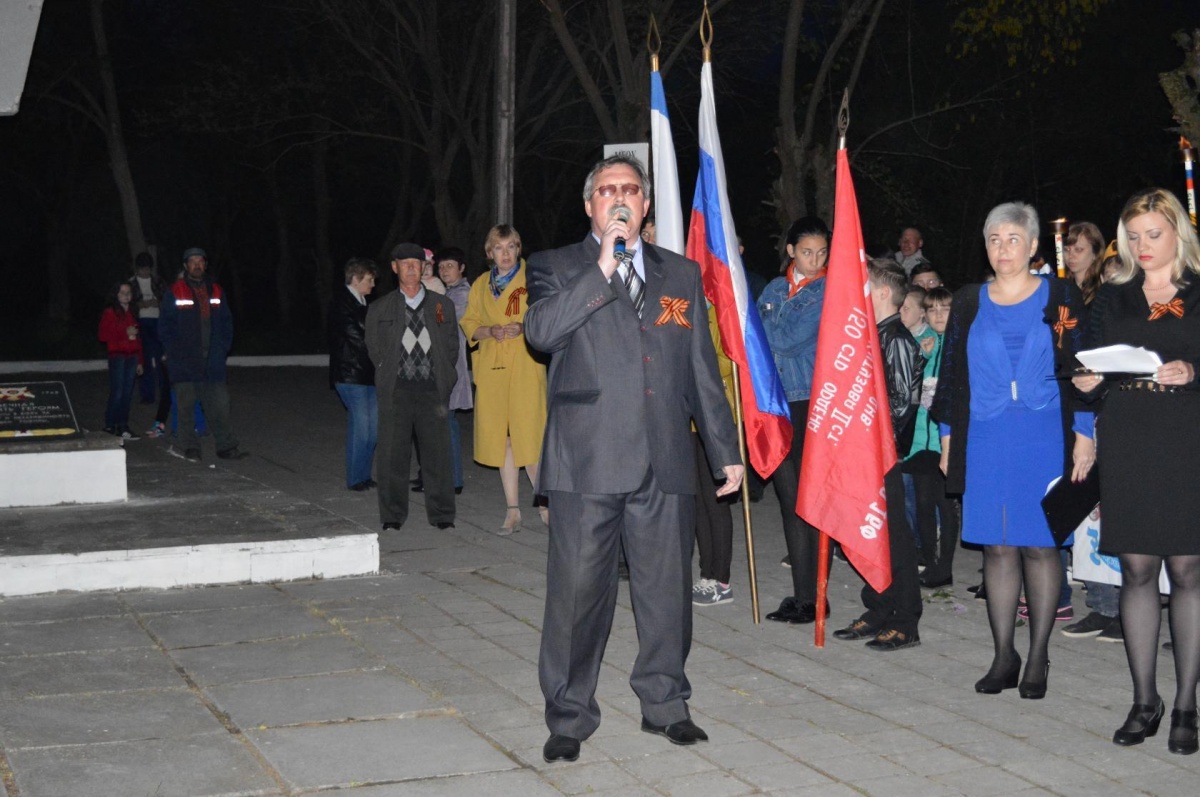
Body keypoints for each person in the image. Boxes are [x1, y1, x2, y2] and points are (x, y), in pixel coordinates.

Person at [524, 154, 743, 763]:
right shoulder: (554, 267)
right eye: (606, 190)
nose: (619, 198)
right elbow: (541, 333)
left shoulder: (681, 273)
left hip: (665, 458)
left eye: (629, 190)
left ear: (645, 205)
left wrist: (724, 449)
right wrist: (602, 267)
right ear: (590, 205)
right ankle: (569, 716)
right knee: (576, 597)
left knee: (666, 592)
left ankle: (666, 703)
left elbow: (701, 368)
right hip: (587, 460)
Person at [933, 202, 1094, 700]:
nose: (1003, 249)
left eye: (1012, 239)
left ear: (1031, 247)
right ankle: (1005, 654)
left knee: (1041, 546)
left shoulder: (1061, 296)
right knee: (998, 547)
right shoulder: (967, 301)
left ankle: (1039, 654)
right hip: (984, 434)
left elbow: (1085, 370)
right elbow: (952, 375)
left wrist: (1085, 435)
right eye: (994, 240)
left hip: (1044, 435)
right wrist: (946, 438)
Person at [1073, 188, 1200, 755]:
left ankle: (1186, 705)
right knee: (1138, 570)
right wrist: (1087, 381)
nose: (1144, 246)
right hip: (1128, 434)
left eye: (1154, 234)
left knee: (1190, 571)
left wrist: (1192, 369)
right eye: (1135, 237)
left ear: (1178, 232)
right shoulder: (1114, 295)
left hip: (1187, 434)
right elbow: (1091, 359)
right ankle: (1144, 700)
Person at [831, 260, 925, 651]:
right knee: (871, 534)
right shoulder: (870, 336)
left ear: (883, 293)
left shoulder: (897, 340)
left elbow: (902, 404)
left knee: (895, 539)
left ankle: (905, 618)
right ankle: (879, 606)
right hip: (865, 453)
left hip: (884, 457)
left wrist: (875, 443)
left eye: (865, 286)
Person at [757, 217, 831, 625]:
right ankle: (803, 595)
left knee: (810, 501)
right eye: (807, 252)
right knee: (788, 499)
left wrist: (763, 328)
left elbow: (784, 340)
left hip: (807, 401)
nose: (815, 260)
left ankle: (816, 594)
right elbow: (756, 334)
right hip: (774, 401)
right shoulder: (772, 287)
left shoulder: (825, 291)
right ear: (790, 250)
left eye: (821, 253)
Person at [459, 224, 547, 534]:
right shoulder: (481, 284)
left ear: (519, 249)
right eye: (499, 248)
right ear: (489, 253)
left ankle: (545, 504)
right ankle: (513, 510)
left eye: (511, 247)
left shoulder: (533, 278)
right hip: (493, 369)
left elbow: (547, 313)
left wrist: (524, 327)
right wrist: (489, 331)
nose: (505, 253)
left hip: (525, 365)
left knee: (532, 434)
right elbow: (470, 321)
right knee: (503, 439)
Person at [1059, 221, 1123, 642]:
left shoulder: (1103, 297)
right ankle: (1101, 603)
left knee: (1103, 504)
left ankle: (1117, 605)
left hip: (1099, 408)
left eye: (1080, 248)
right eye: (1067, 247)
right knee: (1083, 507)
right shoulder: (1064, 295)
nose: (1071, 255)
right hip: (1067, 406)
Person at [365, 243, 458, 532]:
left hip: (432, 391)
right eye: (404, 263)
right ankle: (392, 515)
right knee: (392, 455)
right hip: (397, 391)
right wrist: (388, 371)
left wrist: (444, 377)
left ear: (423, 268)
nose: (410, 269)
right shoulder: (381, 308)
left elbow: (452, 347)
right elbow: (373, 348)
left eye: (416, 264)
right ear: (394, 268)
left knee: (438, 455)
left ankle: (442, 514)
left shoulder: (442, 305)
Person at [159, 248, 247, 462]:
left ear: (205, 265)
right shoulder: (176, 291)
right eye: (192, 261)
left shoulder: (215, 290)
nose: (197, 265)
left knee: (219, 405)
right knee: (186, 407)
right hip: (185, 361)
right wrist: (175, 352)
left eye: (200, 261)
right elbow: (165, 326)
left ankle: (226, 446)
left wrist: (223, 347)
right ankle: (190, 447)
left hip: (213, 361)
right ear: (185, 266)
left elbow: (226, 321)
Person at [903, 286, 960, 588]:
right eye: (933, 309)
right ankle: (929, 561)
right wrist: (920, 356)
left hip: (945, 441)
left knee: (945, 504)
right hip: (919, 441)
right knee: (923, 503)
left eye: (945, 309)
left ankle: (945, 568)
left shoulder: (961, 345)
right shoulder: (918, 343)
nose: (939, 315)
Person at [328, 257, 379, 492]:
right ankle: (355, 478)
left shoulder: (361, 302)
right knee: (362, 427)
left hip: (367, 374)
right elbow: (358, 338)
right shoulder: (342, 302)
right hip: (350, 375)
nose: (373, 285)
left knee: (373, 427)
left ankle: (364, 474)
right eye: (369, 279)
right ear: (356, 279)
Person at [436, 247, 473, 495]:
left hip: (451, 367)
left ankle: (454, 480)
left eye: (450, 265)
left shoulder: (462, 295)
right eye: (441, 267)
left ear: (461, 268)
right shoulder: (446, 292)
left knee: (447, 422)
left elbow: (442, 321)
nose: (444, 270)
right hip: (440, 366)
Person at [98, 280, 143, 439]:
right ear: (116, 295)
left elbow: (137, 339)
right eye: (123, 292)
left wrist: (140, 361)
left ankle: (123, 425)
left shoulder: (132, 312)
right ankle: (110, 425)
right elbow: (103, 335)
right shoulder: (110, 312)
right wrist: (124, 331)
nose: (126, 295)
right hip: (117, 356)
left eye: (128, 293)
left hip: (131, 357)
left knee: (127, 393)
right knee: (117, 392)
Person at [130, 253, 167, 408]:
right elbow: (127, 302)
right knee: (143, 359)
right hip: (141, 322)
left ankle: (165, 391)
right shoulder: (131, 283)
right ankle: (147, 394)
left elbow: (167, 297)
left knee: (161, 358)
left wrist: (157, 301)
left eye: (147, 269)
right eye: (142, 269)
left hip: (158, 320)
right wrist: (139, 305)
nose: (145, 272)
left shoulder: (157, 281)